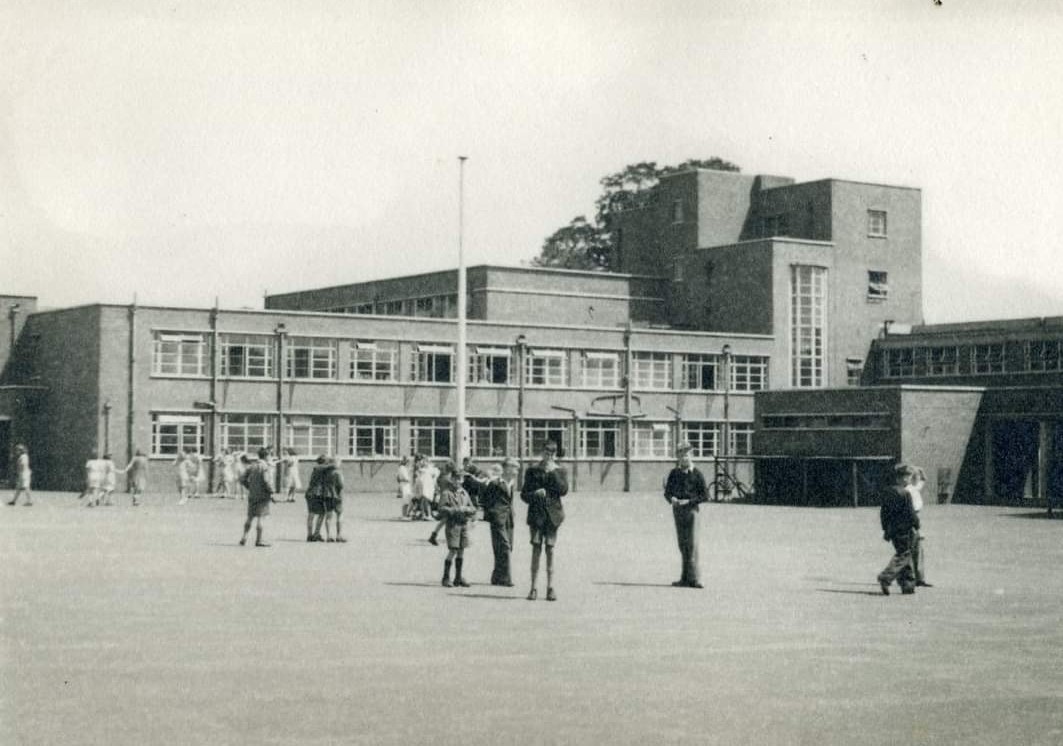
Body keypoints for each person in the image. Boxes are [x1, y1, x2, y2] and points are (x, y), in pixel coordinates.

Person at [520, 441, 568, 601]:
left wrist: (552, 472)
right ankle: (533, 588)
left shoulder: (560, 471)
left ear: (555, 455)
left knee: (550, 550)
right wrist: (534, 493)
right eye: (546, 452)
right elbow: (524, 495)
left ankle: (550, 587)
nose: (549, 455)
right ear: (541, 452)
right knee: (536, 550)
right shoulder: (532, 471)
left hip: (553, 516)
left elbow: (563, 490)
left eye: (552, 453)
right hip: (536, 515)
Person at [664, 443, 709, 589]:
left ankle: (696, 578)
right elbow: (667, 492)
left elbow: (705, 495)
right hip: (678, 511)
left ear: (691, 456)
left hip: (691, 511)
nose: (684, 458)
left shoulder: (697, 474)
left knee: (692, 544)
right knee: (682, 544)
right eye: (681, 455)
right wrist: (672, 499)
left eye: (687, 455)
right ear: (678, 457)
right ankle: (684, 578)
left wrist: (689, 501)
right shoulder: (674, 473)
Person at [467, 458, 519, 587]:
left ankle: (496, 577)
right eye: (514, 468)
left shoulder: (512, 483)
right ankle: (507, 578)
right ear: (506, 468)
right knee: (504, 546)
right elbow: (484, 500)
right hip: (498, 518)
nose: (517, 471)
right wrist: (493, 513)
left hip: (509, 518)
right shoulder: (494, 484)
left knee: (505, 547)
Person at [878, 463, 920, 595]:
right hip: (905, 530)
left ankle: (907, 585)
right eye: (906, 477)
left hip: (893, 530)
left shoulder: (888, 492)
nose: (907, 480)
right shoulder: (905, 493)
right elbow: (910, 513)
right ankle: (886, 577)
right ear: (899, 478)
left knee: (904, 554)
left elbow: (883, 513)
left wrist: (885, 529)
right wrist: (917, 524)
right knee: (904, 555)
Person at [436, 461, 477, 588]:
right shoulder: (446, 493)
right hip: (453, 525)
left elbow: (473, 508)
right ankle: (445, 577)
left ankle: (458, 577)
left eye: (461, 479)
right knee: (453, 550)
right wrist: (456, 510)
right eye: (456, 479)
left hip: (463, 524)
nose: (459, 481)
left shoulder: (464, 493)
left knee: (461, 550)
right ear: (452, 479)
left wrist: (468, 511)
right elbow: (441, 508)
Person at [239, 448, 275, 547]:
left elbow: (242, 479)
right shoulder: (265, 467)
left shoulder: (252, 466)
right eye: (269, 456)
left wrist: (249, 486)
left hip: (252, 494)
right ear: (266, 456)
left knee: (250, 517)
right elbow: (266, 481)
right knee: (261, 517)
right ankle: (259, 540)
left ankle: (244, 537)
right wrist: (272, 491)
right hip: (263, 495)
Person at [907, 466, 933, 588]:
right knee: (911, 550)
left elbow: (924, 479)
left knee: (918, 550)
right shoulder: (908, 490)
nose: (917, 479)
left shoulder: (915, 488)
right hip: (911, 519)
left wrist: (920, 470)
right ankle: (912, 577)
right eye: (914, 476)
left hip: (916, 518)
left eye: (917, 477)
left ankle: (919, 578)